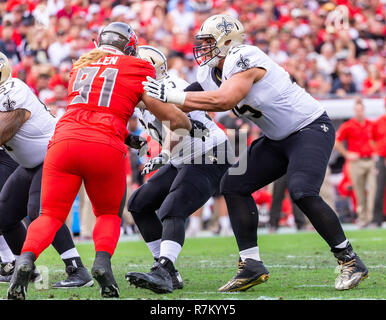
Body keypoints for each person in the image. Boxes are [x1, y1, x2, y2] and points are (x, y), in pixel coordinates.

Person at [143, 14, 369, 292]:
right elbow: (179, 111)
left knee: (302, 191)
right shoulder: (208, 72)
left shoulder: (246, 56)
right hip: (276, 138)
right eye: (202, 42)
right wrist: (146, 101)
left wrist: (173, 96)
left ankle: (349, 259)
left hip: (310, 128)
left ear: (227, 41)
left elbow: (225, 100)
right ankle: (251, 265)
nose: (203, 48)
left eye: (209, 42)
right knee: (234, 185)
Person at [7, 22, 197, 300]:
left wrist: (128, 133)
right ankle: (102, 264)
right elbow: (177, 120)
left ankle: (25, 260)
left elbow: (96, 107)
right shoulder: (138, 67)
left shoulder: (80, 66)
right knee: (107, 214)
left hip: (63, 141)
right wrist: (184, 126)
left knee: (49, 215)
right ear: (130, 48)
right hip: (103, 146)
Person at [125, 45, 232, 293]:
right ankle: (167, 270)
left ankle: (163, 269)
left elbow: (178, 124)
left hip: (209, 152)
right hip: (183, 157)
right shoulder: (142, 95)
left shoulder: (168, 86)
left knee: (173, 208)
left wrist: (163, 153)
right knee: (139, 203)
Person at [0, 51, 93, 289]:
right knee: (4, 214)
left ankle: (78, 270)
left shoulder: (13, 89)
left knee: (40, 212)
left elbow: (3, 131)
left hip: (56, 154)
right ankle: (27, 270)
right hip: (32, 162)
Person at [335, 99, 376, 228]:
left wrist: (376, 151)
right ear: (354, 111)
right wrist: (346, 154)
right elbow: (337, 141)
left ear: (363, 110)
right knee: (359, 191)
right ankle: (363, 218)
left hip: (370, 160)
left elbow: (377, 139)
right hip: (356, 162)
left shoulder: (370, 124)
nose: (359, 112)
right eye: (357, 110)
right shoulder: (348, 125)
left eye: (361, 109)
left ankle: (371, 218)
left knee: (373, 189)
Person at [371, 103, 386, 227]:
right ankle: (377, 219)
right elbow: (372, 140)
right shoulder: (378, 122)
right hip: (381, 159)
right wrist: (377, 153)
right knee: (379, 189)